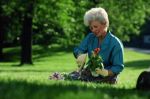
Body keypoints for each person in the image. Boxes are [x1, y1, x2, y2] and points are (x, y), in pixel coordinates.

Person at [73, 7, 124, 84]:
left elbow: (118, 66)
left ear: (105, 23)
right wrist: (80, 55)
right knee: (73, 76)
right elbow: (78, 49)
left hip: (108, 76)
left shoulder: (115, 43)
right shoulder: (90, 37)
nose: (93, 30)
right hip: (90, 72)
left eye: (95, 27)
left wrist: (106, 72)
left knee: (103, 81)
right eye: (91, 28)